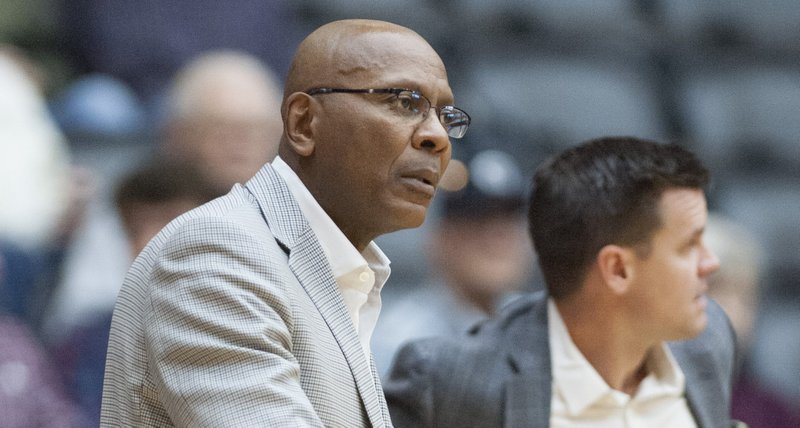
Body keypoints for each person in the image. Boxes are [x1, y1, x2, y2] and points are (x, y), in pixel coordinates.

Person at [100, 19, 470, 427]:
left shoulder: (337, 270)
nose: (437, 135)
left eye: (445, 115)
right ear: (303, 124)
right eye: (404, 102)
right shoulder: (218, 251)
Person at [385, 137, 738, 427]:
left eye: (507, 222)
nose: (712, 263)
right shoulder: (447, 380)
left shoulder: (709, 340)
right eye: (689, 245)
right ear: (617, 269)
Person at [372, 149, 532, 378]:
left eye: (509, 218)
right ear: (440, 237)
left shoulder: (546, 327)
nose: (497, 237)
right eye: (477, 218)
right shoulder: (401, 343)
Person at [704, 214, 800, 428]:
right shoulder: (644, 398)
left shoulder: (774, 412)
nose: (734, 311)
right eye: (716, 288)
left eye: (746, 297)